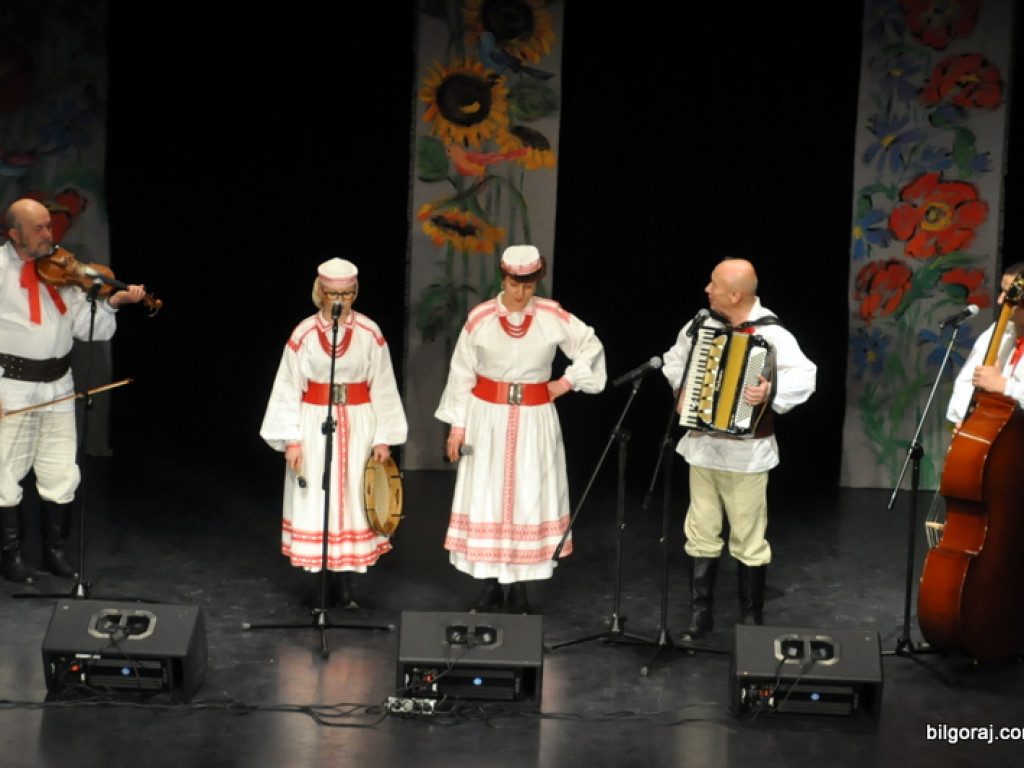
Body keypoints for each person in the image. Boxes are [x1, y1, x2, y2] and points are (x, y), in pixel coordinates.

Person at [435, 245, 606, 614]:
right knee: (488, 497)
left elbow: (590, 345)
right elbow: (462, 373)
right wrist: (457, 427)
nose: (521, 293)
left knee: (529, 495)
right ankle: (489, 586)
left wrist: (565, 383)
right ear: (504, 278)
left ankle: (520, 591)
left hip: (533, 418)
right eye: (515, 284)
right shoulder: (480, 318)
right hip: (487, 419)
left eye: (528, 285)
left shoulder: (551, 315)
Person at [661, 257, 816, 640]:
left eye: (713, 284)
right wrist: (683, 391)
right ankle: (701, 617)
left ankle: (751, 621)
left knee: (748, 537)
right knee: (701, 529)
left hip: (747, 453)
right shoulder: (701, 326)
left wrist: (769, 390)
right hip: (702, 447)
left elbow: (806, 376)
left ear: (735, 293)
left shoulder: (772, 333)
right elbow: (674, 360)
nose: (706, 289)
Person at [0, 198, 146, 584]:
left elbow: (89, 329)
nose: (49, 235)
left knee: (61, 469)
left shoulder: (63, 271)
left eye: (50, 226)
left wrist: (112, 302)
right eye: (39, 229)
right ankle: (10, 557)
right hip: (9, 385)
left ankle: (54, 553)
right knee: (4, 472)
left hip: (58, 386)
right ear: (13, 233)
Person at [260, 258, 407, 608]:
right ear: (320, 293)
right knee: (320, 500)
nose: (339, 301)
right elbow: (287, 386)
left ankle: (347, 588)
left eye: (346, 294)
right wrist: (291, 439)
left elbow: (383, 385)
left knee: (354, 500)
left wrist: (383, 437)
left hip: (359, 422)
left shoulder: (370, 332)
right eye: (332, 294)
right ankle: (324, 588)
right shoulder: (303, 334)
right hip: (315, 424)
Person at [946, 261, 1024, 426]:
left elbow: (998, 385)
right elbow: (967, 381)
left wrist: (1003, 385)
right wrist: (965, 424)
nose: (1001, 300)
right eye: (1002, 292)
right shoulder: (998, 331)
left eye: (1010, 294)